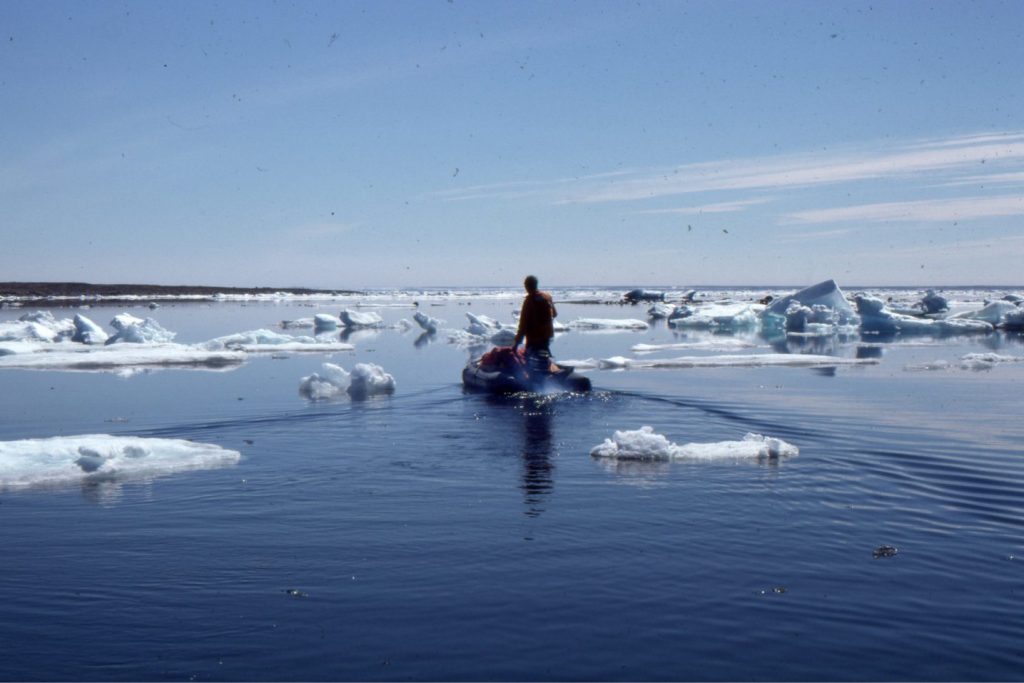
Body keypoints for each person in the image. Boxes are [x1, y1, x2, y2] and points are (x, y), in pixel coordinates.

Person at [511, 275, 557, 375]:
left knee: (531, 361)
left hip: (534, 339)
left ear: (527, 286)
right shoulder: (547, 297)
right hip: (546, 336)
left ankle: (534, 381)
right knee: (544, 357)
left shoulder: (529, 301)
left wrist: (516, 343)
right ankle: (552, 374)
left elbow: (523, 325)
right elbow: (555, 313)